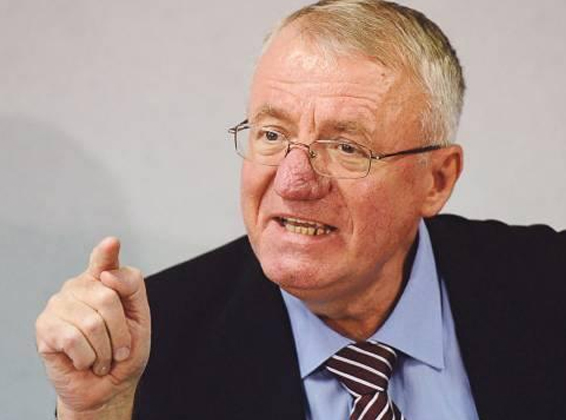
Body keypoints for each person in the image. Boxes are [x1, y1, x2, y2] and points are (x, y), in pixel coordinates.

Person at [35, 1, 565, 419]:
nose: (293, 181)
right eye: (271, 135)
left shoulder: (548, 286)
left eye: (347, 147)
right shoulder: (152, 343)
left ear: (437, 179)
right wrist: (97, 415)